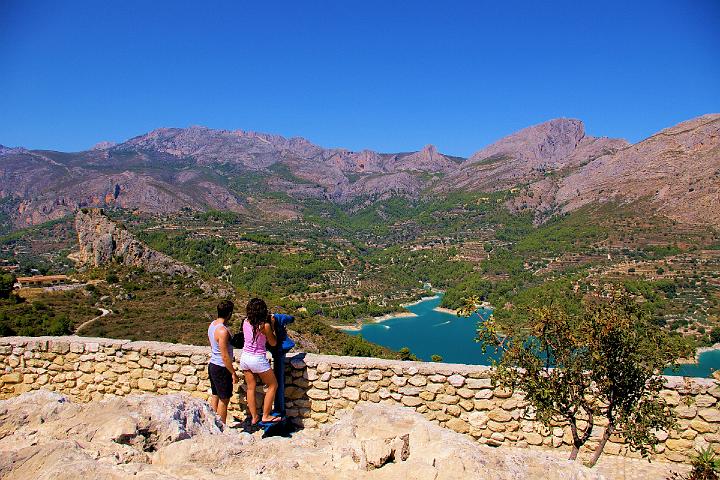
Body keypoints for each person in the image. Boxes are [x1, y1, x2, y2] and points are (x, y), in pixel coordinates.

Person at [240, 297, 281, 425]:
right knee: (273, 385)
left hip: (245, 357)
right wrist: (272, 325)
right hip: (257, 359)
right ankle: (266, 415)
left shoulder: (245, 321)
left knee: (250, 388)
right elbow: (273, 342)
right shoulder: (264, 326)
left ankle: (254, 417)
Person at [207, 299, 238, 424]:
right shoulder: (223, 331)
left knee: (215, 395)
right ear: (229, 314)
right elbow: (225, 356)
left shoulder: (212, 325)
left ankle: (212, 423)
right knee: (224, 399)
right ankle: (221, 426)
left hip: (213, 364)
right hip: (221, 367)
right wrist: (233, 372)